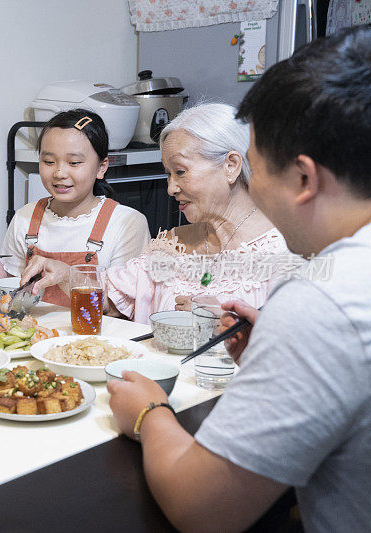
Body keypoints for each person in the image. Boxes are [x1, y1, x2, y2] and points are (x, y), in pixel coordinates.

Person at [108, 26, 371, 532]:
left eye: (255, 168)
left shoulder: (321, 302)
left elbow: (202, 511)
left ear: (304, 178)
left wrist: (149, 413)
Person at [19, 104, 300, 322]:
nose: (170, 188)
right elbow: (110, 300)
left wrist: (227, 324)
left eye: (180, 172)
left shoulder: (285, 253)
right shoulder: (171, 246)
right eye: (167, 174)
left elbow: (301, 357)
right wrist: (67, 275)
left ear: (231, 165)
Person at [0, 109, 150, 306]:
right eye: (49, 161)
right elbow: (15, 302)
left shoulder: (127, 223)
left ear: (101, 167)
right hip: (38, 334)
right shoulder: (25, 218)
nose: (59, 172)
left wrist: (67, 276)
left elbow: (123, 308)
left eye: (74, 162)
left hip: (94, 335)